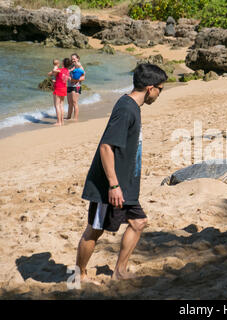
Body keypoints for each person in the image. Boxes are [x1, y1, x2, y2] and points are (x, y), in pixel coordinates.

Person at [76, 64, 167, 284]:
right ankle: (77, 277)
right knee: (94, 230)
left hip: (124, 184)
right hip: (109, 186)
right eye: (160, 89)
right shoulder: (126, 109)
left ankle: (119, 271)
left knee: (138, 222)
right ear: (149, 88)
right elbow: (106, 147)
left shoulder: (133, 106)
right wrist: (114, 185)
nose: (159, 94)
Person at [48, 57, 71, 126]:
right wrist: (56, 80)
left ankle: (59, 122)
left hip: (58, 88)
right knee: (61, 105)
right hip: (64, 88)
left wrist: (55, 66)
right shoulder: (67, 71)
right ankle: (62, 121)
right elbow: (62, 78)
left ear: (63, 63)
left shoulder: (60, 70)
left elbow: (50, 73)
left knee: (57, 105)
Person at [66, 53, 85, 121]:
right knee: (69, 102)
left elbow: (83, 78)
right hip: (69, 86)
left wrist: (74, 80)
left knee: (74, 102)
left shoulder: (80, 67)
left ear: (77, 58)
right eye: (72, 59)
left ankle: (75, 118)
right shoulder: (71, 66)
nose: (73, 60)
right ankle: (68, 117)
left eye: (74, 59)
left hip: (76, 86)